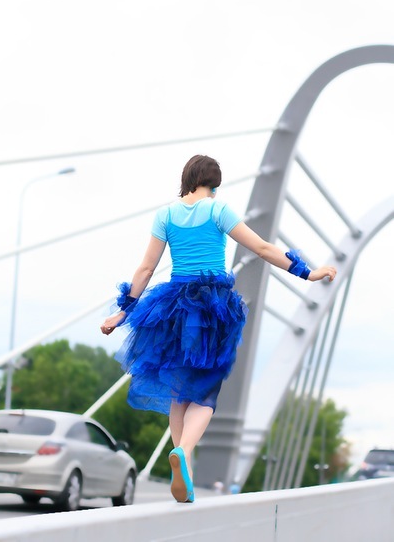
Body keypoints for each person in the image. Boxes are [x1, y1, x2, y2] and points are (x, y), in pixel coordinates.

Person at [101, 154, 336, 504]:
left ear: (187, 178)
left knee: (180, 391)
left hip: (173, 309)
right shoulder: (217, 210)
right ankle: (183, 453)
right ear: (213, 183)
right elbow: (261, 248)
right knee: (206, 392)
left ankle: (184, 470)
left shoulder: (165, 215)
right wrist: (308, 273)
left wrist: (123, 312)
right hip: (212, 307)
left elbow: (146, 269)